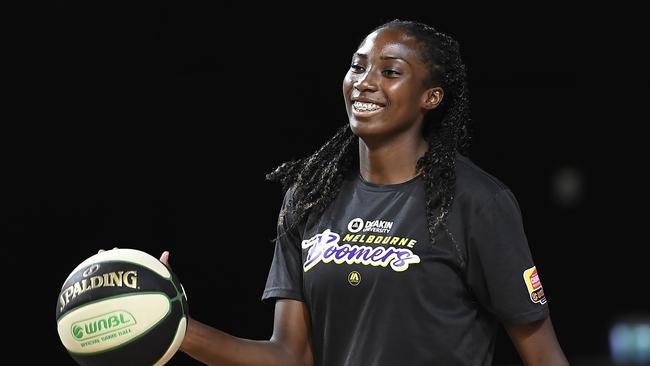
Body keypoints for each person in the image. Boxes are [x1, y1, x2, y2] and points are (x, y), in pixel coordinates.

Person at [162, 19, 570, 365]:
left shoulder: (477, 202)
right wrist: (173, 326)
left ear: (431, 97)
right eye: (357, 67)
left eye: (390, 72)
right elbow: (289, 356)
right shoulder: (310, 198)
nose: (365, 82)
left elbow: (544, 357)